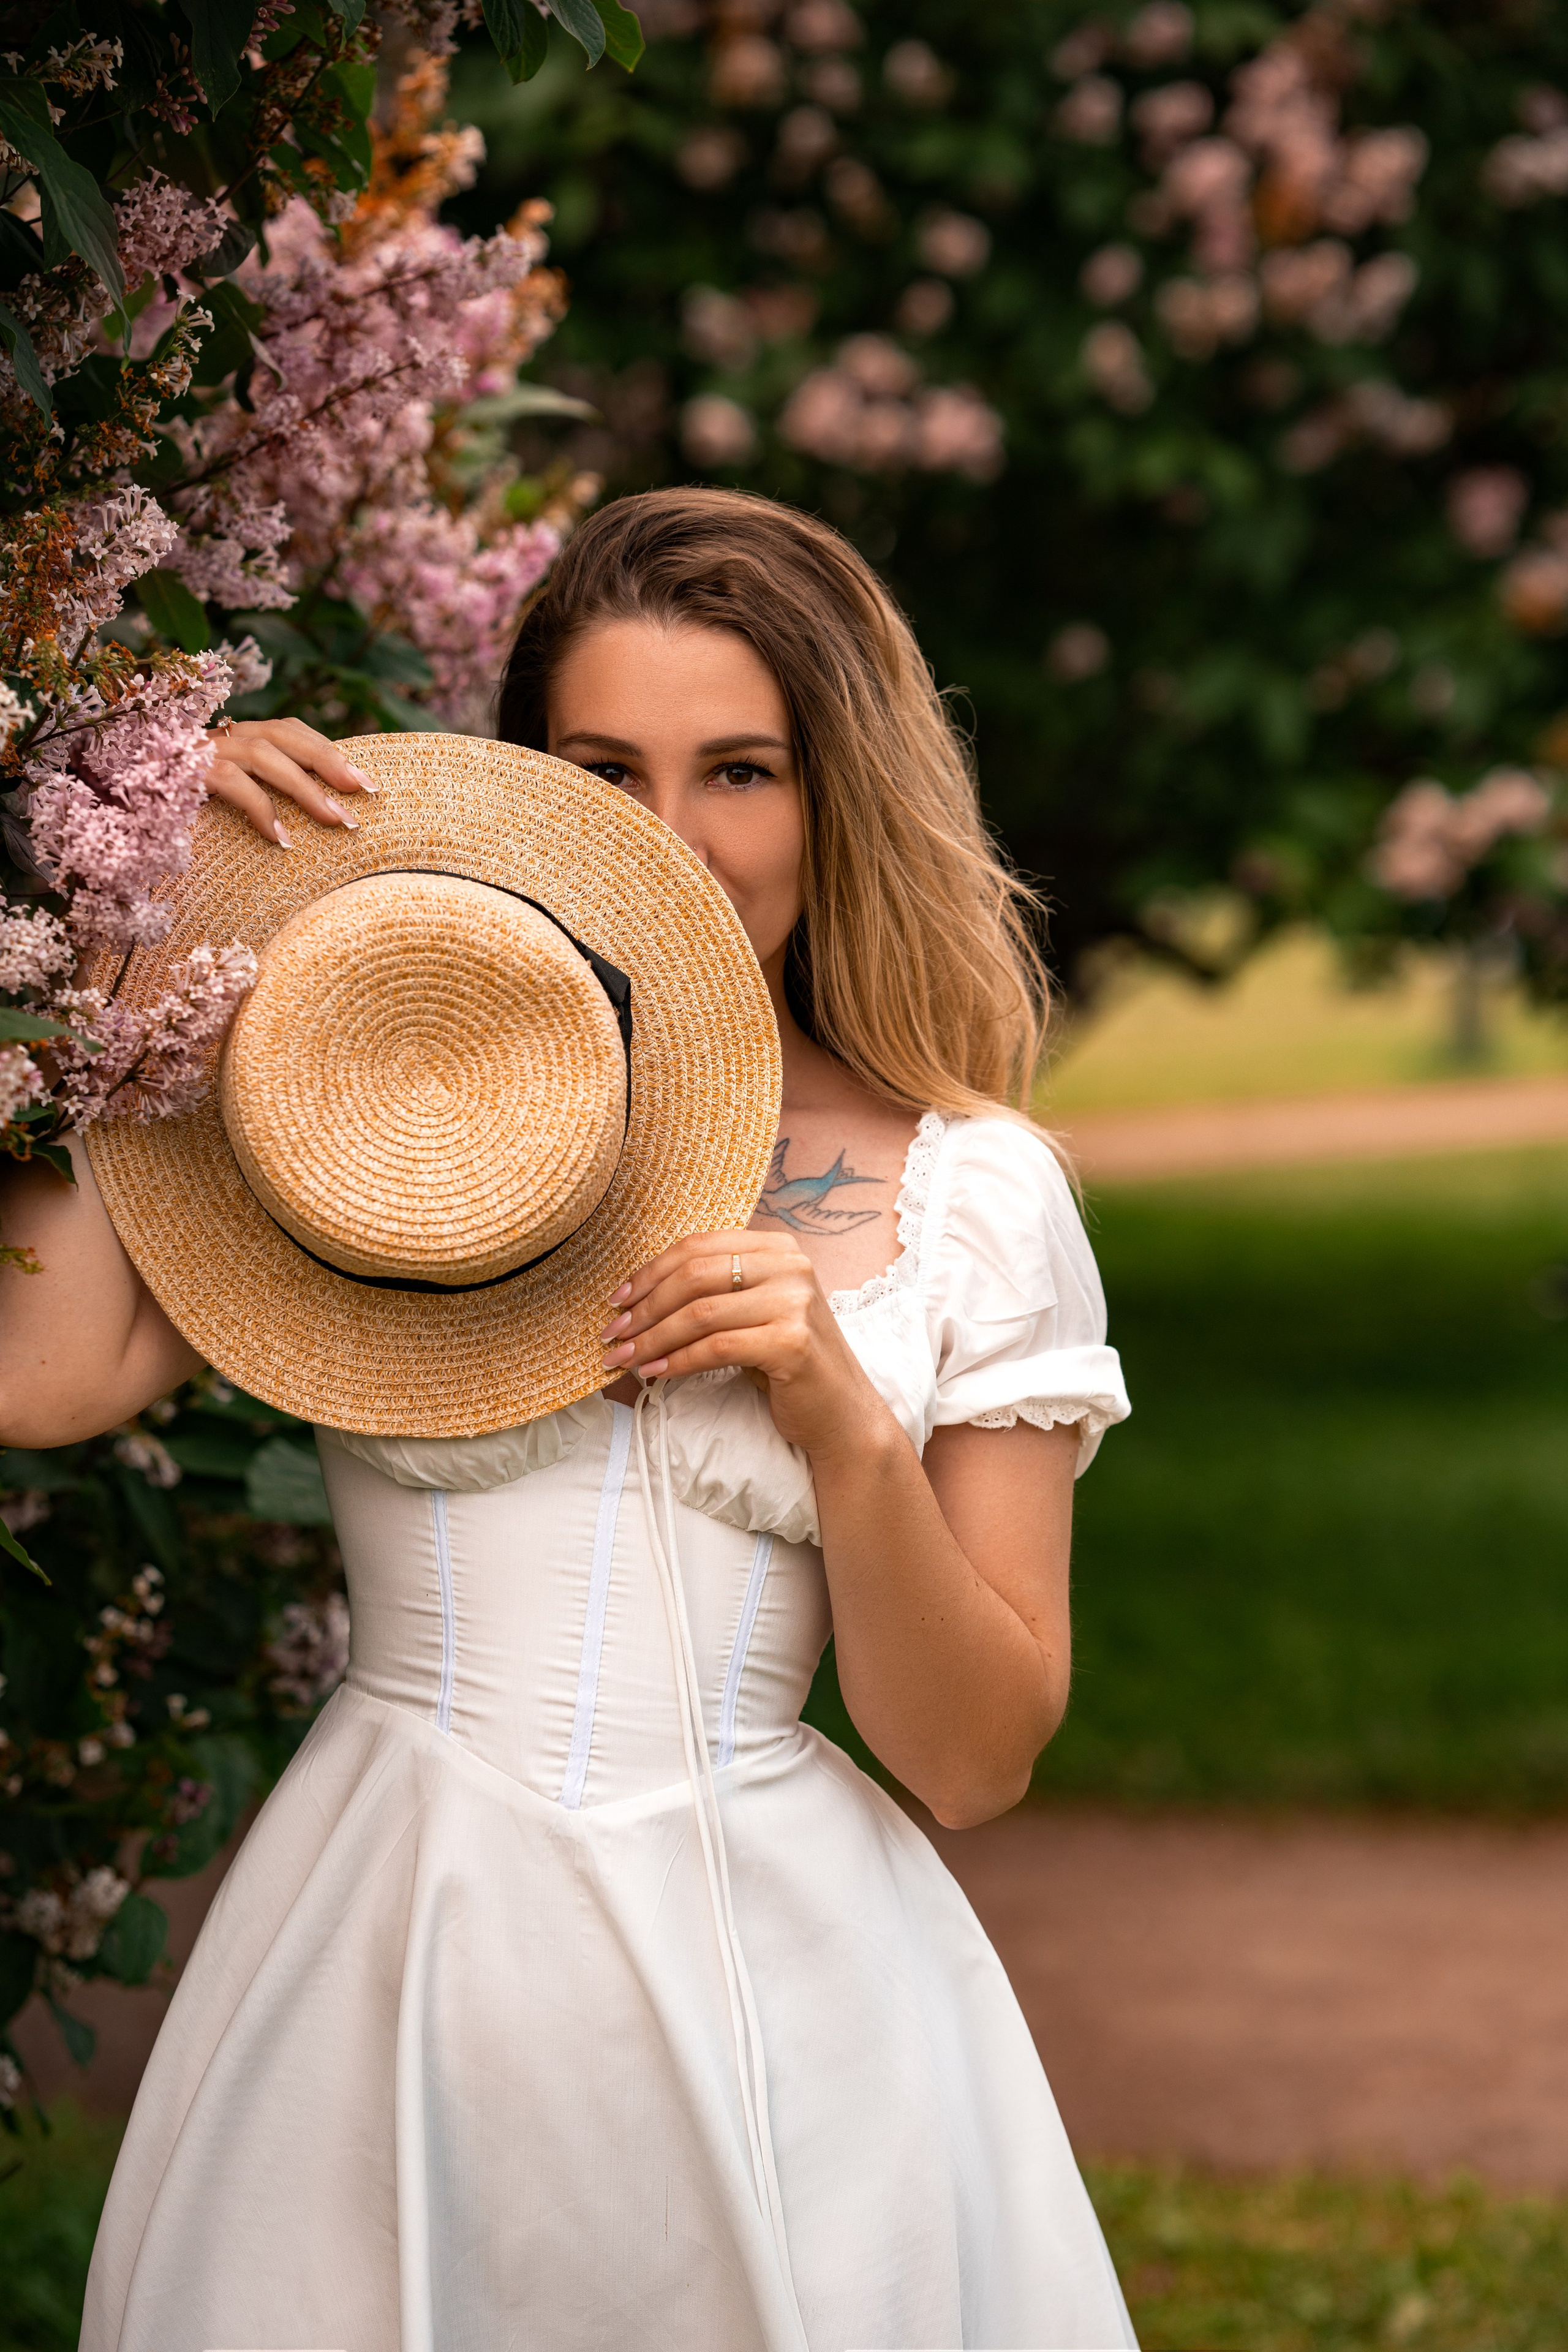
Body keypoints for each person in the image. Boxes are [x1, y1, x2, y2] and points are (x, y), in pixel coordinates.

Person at [1, 489, 1135, 2351]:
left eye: (743, 771)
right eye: (603, 767)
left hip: (781, 1986)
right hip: (393, 1940)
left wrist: (843, 1425)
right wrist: (163, 915)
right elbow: (39, 1379)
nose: (672, 838)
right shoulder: (355, 1088)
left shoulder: (975, 1192)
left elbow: (975, 1761)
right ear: (527, 778)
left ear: (832, 792)